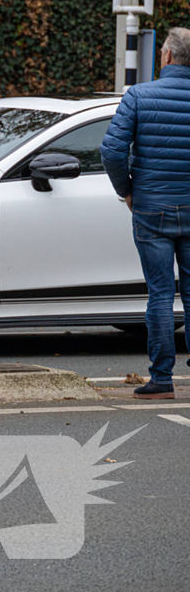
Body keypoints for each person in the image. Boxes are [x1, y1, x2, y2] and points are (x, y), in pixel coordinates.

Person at [101, 27, 190, 400]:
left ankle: (162, 380)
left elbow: (111, 151)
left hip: (151, 208)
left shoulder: (138, 96)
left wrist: (127, 190)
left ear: (166, 56)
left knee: (159, 293)